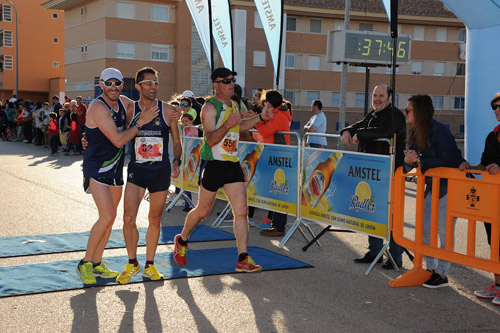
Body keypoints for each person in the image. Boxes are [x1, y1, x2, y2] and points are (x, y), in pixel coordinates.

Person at [172, 67, 274, 273]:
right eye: (226, 81)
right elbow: (209, 139)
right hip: (213, 164)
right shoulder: (209, 108)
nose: (230, 84)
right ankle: (182, 241)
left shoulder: (235, 104)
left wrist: (261, 117)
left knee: (242, 211)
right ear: (215, 85)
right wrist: (228, 124)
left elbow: (241, 126)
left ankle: (243, 258)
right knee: (203, 211)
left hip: (231, 163)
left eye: (232, 80)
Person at [76, 68, 159, 285]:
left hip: (114, 168)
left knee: (110, 219)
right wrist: (140, 123)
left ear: (123, 84)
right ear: (101, 85)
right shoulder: (97, 106)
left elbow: (144, 102)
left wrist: (174, 110)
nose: (113, 87)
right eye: (109, 83)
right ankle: (85, 262)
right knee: (106, 215)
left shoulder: (123, 102)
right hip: (96, 168)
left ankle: (97, 263)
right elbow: (118, 140)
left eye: (117, 83)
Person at [115, 67, 182, 284]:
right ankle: (132, 262)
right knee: (127, 218)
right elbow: (116, 134)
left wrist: (176, 161)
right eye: (149, 83)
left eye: (156, 82)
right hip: (137, 169)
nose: (153, 86)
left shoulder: (168, 111)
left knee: (154, 219)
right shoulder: (129, 109)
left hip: (160, 172)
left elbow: (177, 141)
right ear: (138, 86)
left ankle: (150, 265)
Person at [403, 94, 466, 288]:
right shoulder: (415, 132)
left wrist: (419, 161)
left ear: (419, 111)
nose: (406, 113)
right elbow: (410, 166)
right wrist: (408, 161)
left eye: (408, 110)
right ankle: (430, 269)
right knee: (426, 229)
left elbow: (448, 160)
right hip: (432, 186)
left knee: (443, 231)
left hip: (448, 187)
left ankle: (442, 274)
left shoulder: (439, 130)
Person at [341, 84, 406, 269]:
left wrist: (360, 135)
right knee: (372, 210)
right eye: (375, 95)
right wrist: (347, 130)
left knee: (391, 215)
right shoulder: (373, 114)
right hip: (372, 172)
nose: (377, 98)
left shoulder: (396, 116)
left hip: (391, 172)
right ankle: (374, 251)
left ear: (390, 98)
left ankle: (395, 256)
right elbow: (360, 125)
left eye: (381, 95)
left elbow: (385, 132)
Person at [460, 92, 500, 303]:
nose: (496, 110)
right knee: (494, 243)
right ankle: (498, 285)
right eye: (494, 106)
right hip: (491, 199)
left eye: (499, 106)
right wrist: (470, 167)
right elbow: (484, 164)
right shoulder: (491, 135)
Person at [254, 89, 292, 237]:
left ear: (269, 103)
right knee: (275, 192)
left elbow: (264, 132)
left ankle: (279, 226)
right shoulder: (276, 114)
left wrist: (257, 120)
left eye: (265, 102)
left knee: (279, 192)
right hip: (273, 157)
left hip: (278, 158)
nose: (264, 104)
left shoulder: (279, 116)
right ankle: (276, 224)